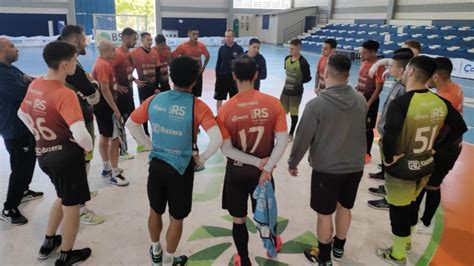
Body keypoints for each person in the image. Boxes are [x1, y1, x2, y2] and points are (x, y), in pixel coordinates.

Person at [126, 56, 222, 266]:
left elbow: (131, 124)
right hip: (181, 170)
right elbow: (217, 139)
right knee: (176, 218)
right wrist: (203, 159)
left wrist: (149, 144)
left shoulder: (154, 100)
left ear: (170, 77)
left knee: (155, 210)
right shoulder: (198, 106)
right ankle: (169, 260)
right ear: (195, 80)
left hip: (157, 166)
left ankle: (156, 250)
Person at [376, 56, 467, 265]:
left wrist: (389, 159)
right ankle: (406, 241)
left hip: (403, 168)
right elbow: (460, 128)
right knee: (412, 204)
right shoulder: (440, 102)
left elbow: (389, 136)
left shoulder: (401, 103)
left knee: (398, 210)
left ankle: (398, 254)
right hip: (426, 165)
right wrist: (436, 147)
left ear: (410, 72)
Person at [18, 41, 94, 265]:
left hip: (44, 154)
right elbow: (81, 135)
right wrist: (87, 147)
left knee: (62, 197)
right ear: (65, 64)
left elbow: (22, 114)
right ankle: (67, 255)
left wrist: (40, 135)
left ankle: (49, 241)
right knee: (72, 207)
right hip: (66, 158)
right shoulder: (65, 94)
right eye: (74, 61)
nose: (76, 66)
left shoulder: (36, 84)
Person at [288, 54, 367, 265]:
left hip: (327, 170)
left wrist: (293, 162)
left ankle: (323, 257)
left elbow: (302, 139)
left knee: (324, 214)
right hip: (355, 167)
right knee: (345, 207)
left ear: (326, 74)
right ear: (348, 75)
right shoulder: (361, 100)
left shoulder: (317, 105)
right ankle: (339, 249)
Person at [217, 56, 288, 266]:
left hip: (237, 173)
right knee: (267, 213)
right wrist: (265, 167)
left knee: (238, 219)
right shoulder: (273, 103)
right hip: (263, 175)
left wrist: (255, 163)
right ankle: (272, 246)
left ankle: (244, 259)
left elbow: (226, 149)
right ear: (256, 75)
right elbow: (282, 141)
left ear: (233, 76)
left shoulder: (225, 110)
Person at [59, 25, 105, 225]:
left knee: (82, 162)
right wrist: (94, 85)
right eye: (84, 38)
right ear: (76, 39)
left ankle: (80, 193)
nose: (86, 41)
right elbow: (90, 89)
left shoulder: (63, 57)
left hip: (74, 116)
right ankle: (80, 207)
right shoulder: (69, 62)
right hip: (76, 118)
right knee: (80, 161)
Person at [414, 57, 465, 234]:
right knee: (429, 184)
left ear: (435, 76)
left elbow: (455, 128)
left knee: (430, 184)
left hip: (445, 149)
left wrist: (437, 147)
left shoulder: (443, 98)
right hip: (451, 146)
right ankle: (420, 217)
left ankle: (425, 221)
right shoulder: (456, 87)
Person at [0, 37, 43, 225]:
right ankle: (9, 208)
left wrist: (29, 82)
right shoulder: (2, 74)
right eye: (11, 46)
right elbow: (25, 92)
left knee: (28, 161)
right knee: (20, 167)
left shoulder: (11, 69)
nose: (16, 49)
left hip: (24, 125)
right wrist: (29, 83)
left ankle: (23, 190)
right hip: (14, 129)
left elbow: (29, 81)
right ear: (1, 51)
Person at [367, 49, 414, 211]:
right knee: (387, 168)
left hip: (391, 135)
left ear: (401, 70)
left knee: (392, 169)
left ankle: (389, 198)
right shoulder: (397, 83)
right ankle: (386, 188)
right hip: (385, 132)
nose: (389, 68)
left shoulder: (403, 89)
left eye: (392, 66)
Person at [92, 40, 129, 186]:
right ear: (106, 51)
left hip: (102, 106)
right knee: (115, 138)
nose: (115, 52)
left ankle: (107, 167)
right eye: (113, 49)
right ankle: (114, 172)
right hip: (106, 107)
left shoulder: (101, 63)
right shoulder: (102, 65)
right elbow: (105, 89)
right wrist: (115, 109)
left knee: (105, 136)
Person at [355, 40, 384, 163]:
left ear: (373, 53)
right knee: (358, 126)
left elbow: (379, 88)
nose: (362, 55)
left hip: (369, 102)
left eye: (365, 53)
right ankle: (358, 149)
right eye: (362, 52)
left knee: (367, 128)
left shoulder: (379, 66)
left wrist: (369, 103)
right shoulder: (364, 63)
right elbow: (361, 80)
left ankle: (367, 154)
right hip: (359, 98)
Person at [113, 27, 138, 158]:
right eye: (134, 39)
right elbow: (107, 70)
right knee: (121, 121)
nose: (135, 42)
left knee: (131, 118)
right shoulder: (117, 54)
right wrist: (115, 86)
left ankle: (137, 144)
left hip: (129, 93)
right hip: (120, 95)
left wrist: (134, 78)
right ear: (126, 38)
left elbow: (127, 72)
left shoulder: (129, 55)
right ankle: (122, 150)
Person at [130, 32, 162, 137]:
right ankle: (145, 132)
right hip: (143, 87)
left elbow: (158, 71)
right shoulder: (135, 53)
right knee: (144, 109)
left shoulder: (155, 53)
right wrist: (135, 80)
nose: (150, 42)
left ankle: (155, 130)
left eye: (151, 39)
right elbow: (128, 70)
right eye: (147, 40)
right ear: (142, 41)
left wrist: (157, 86)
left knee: (155, 109)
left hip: (153, 87)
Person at [280, 38, 311, 142]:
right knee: (281, 112)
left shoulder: (303, 63)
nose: (290, 51)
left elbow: (307, 78)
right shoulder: (286, 59)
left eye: (292, 49)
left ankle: (291, 133)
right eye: (290, 48)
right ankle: (281, 132)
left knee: (294, 112)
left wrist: (297, 82)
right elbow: (287, 71)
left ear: (299, 48)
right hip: (285, 91)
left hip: (296, 93)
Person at [172, 27, 210, 98]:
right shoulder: (182, 47)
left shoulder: (202, 46)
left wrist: (203, 67)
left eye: (197, 34)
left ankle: (194, 108)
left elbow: (207, 56)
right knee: (185, 94)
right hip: (186, 75)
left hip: (197, 74)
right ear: (189, 34)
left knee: (196, 95)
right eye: (193, 34)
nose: (196, 36)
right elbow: (172, 57)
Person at [214, 29, 244, 110]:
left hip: (234, 79)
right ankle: (219, 115)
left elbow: (241, 64)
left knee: (234, 99)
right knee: (219, 98)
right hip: (222, 78)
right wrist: (217, 75)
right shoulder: (221, 49)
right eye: (226, 36)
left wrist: (240, 78)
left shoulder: (239, 49)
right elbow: (218, 63)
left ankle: (233, 115)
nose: (227, 38)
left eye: (229, 36)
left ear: (233, 37)